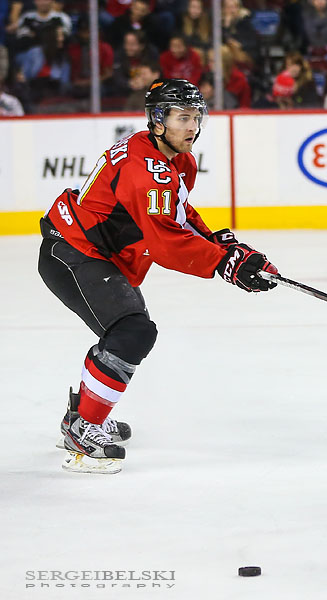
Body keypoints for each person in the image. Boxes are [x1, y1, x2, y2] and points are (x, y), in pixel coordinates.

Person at [38, 79, 278, 474]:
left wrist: (226, 247)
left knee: (127, 333)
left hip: (97, 254)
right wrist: (223, 263)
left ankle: (82, 413)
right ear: (157, 119)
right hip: (72, 252)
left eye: (196, 117)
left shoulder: (176, 158)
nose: (192, 127)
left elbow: (176, 217)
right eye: (182, 117)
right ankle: (83, 425)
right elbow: (164, 242)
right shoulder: (142, 166)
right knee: (132, 332)